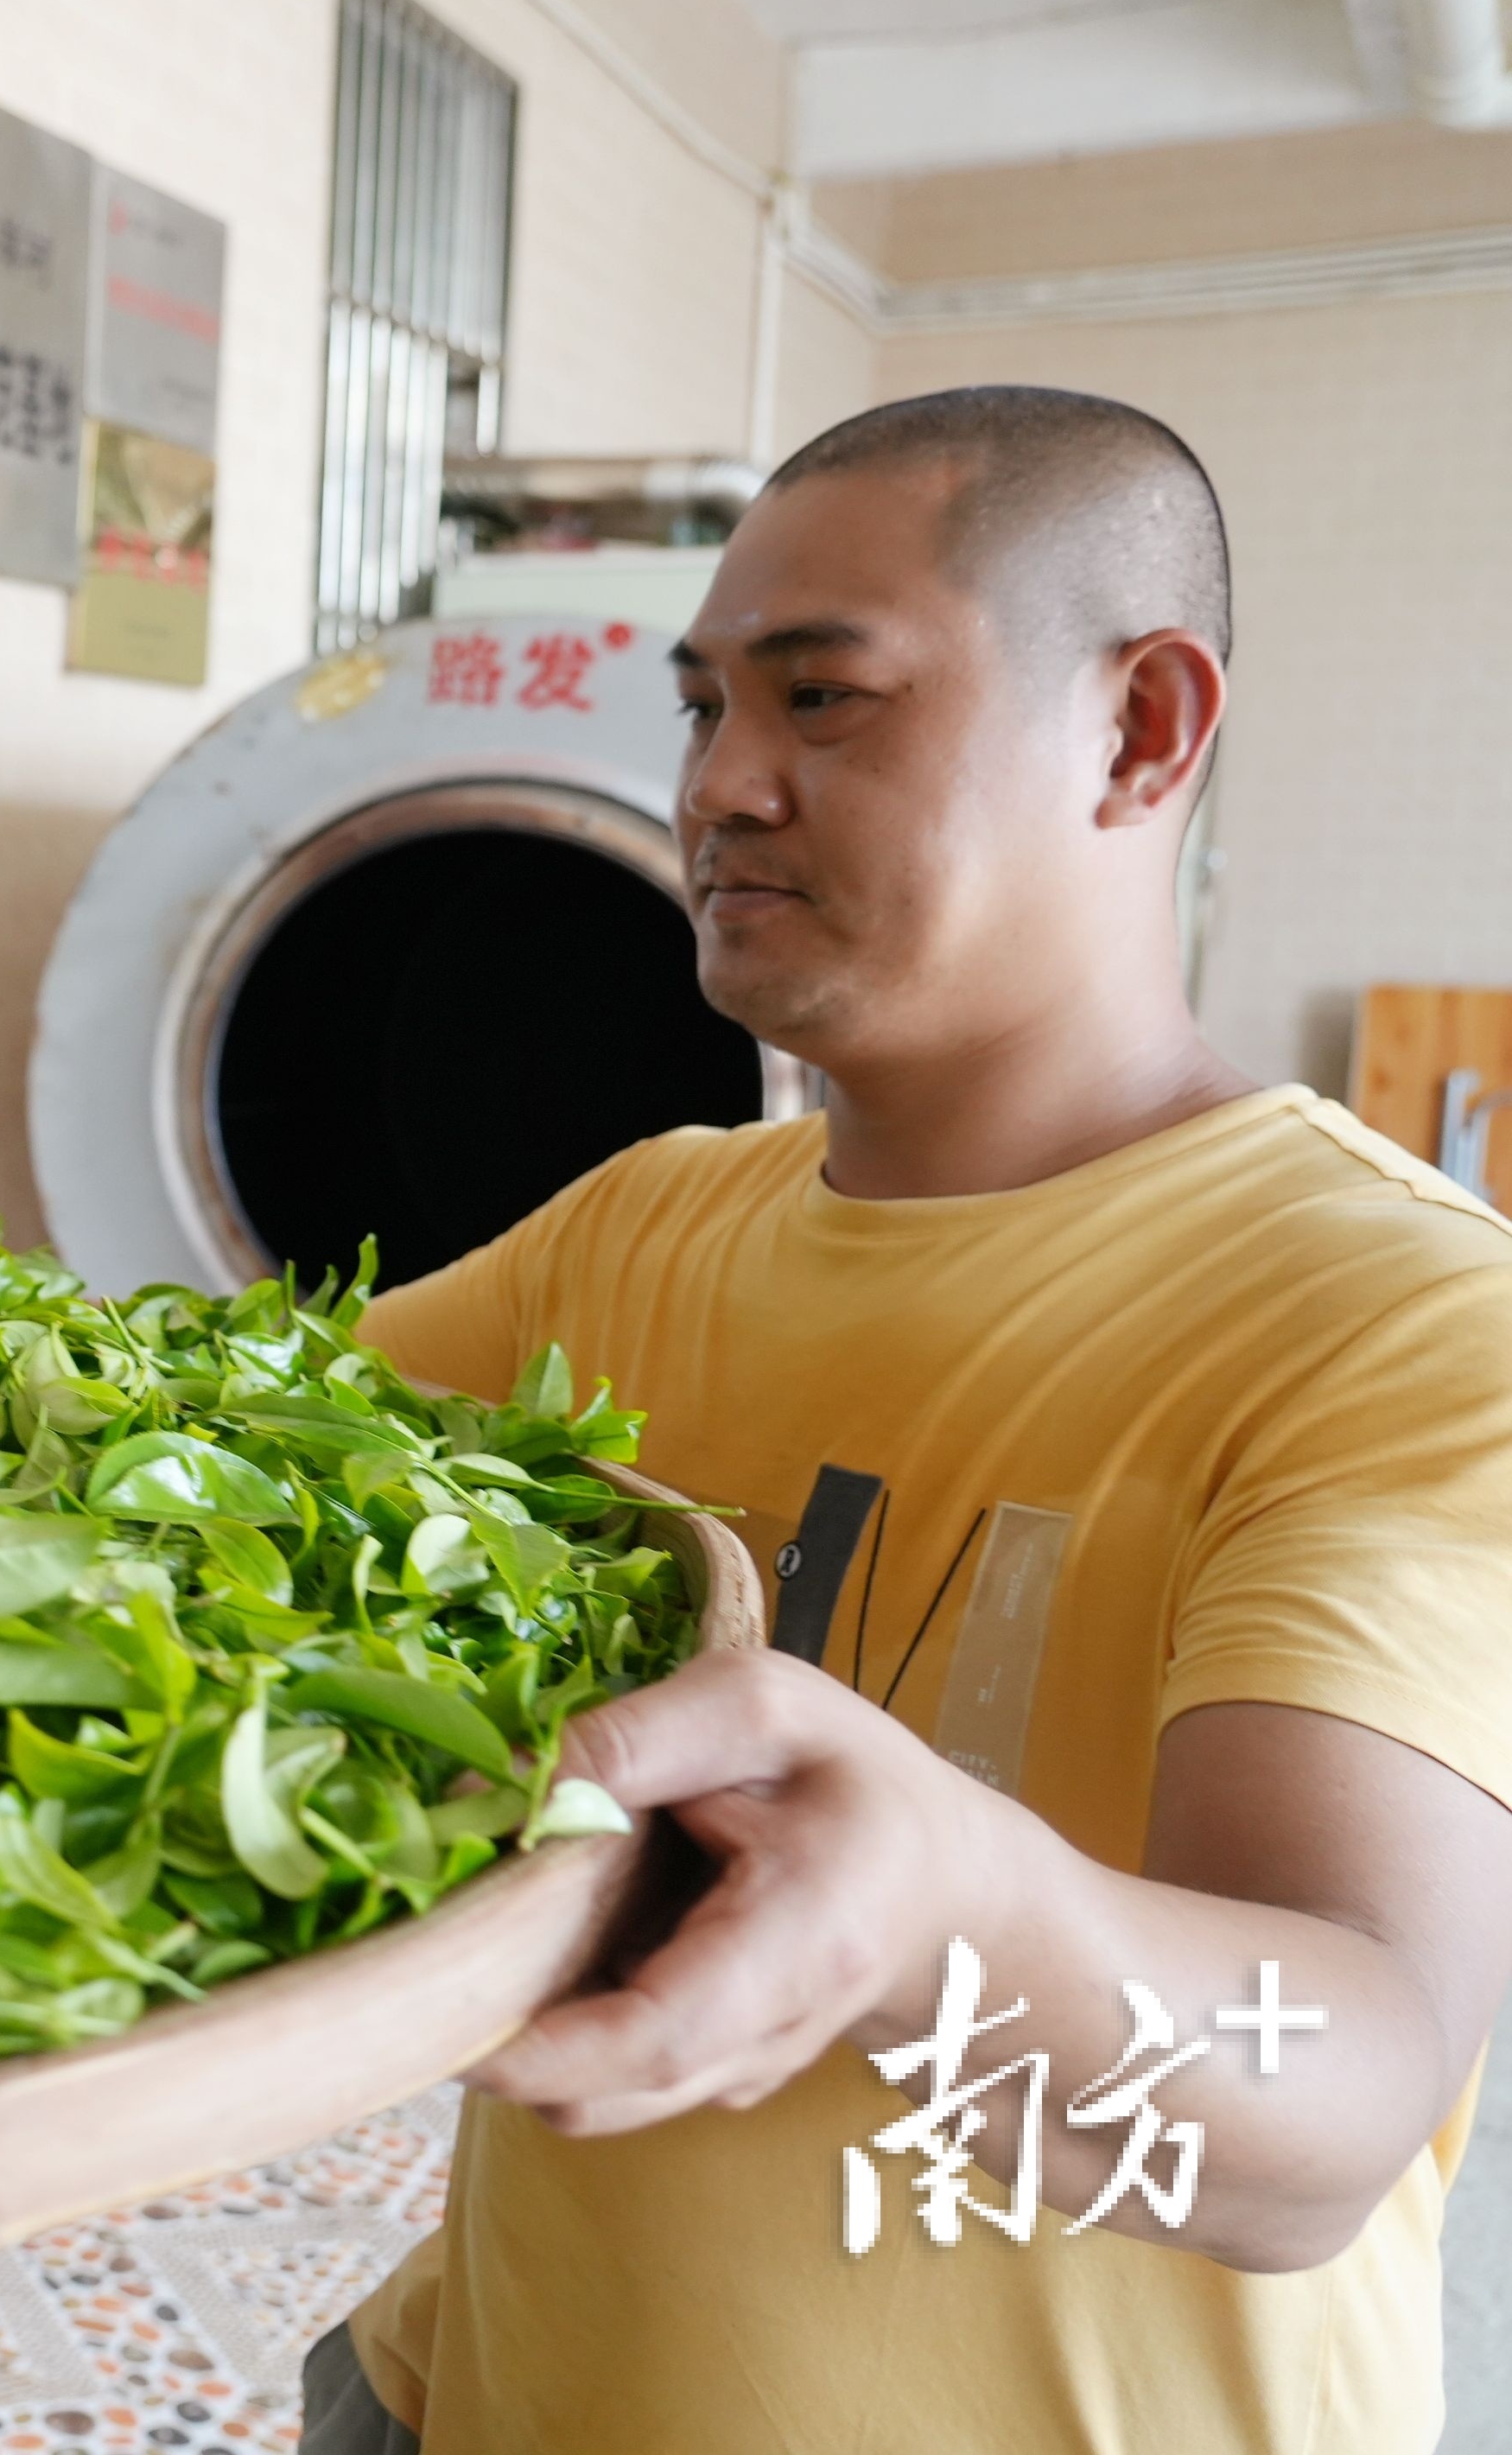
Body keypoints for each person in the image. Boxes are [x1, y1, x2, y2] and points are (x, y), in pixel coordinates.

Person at [296, 385, 1512, 2453]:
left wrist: (949, 1908)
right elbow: (184, 1446)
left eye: (825, 701)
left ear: (1142, 730)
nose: (722, 788)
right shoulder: (642, 1226)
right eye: (702, 709)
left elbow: (1348, 2075)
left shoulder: (1396, 1321)